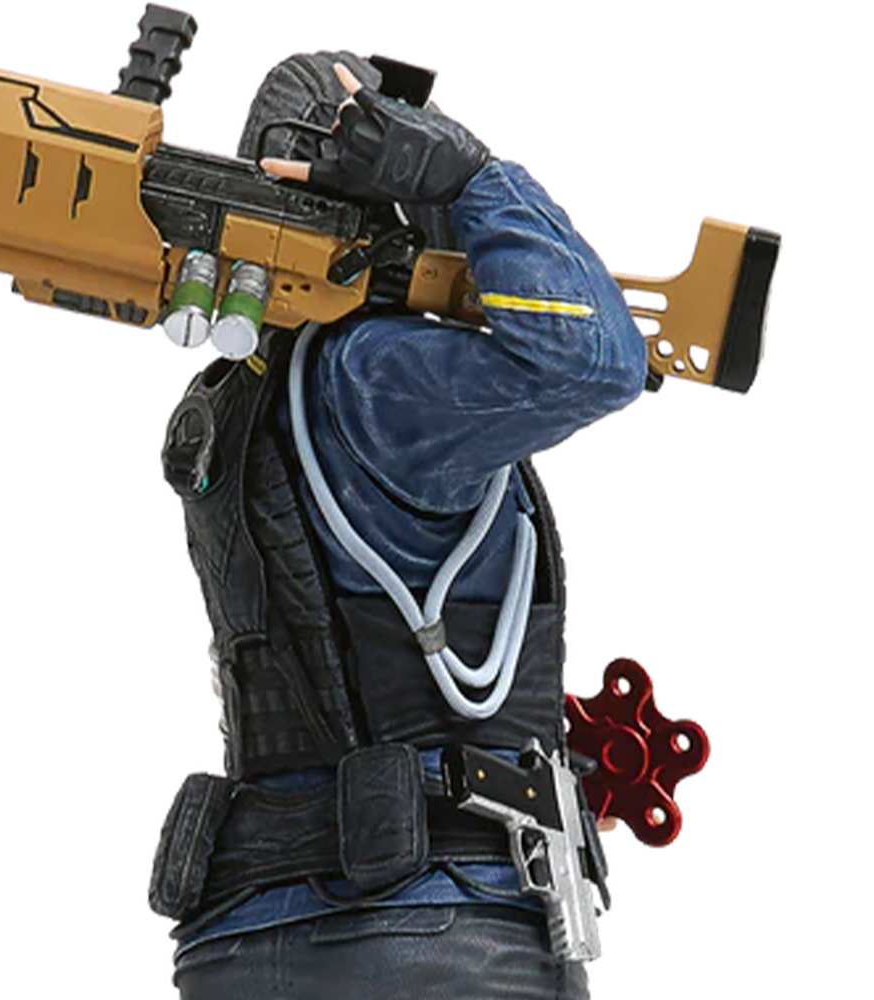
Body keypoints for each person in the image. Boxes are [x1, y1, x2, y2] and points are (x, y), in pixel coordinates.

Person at [153, 52, 648, 1000]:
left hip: (238, 941)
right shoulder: (376, 382)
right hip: (434, 931)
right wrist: (472, 180)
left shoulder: (234, 401)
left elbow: (347, 671)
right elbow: (593, 358)